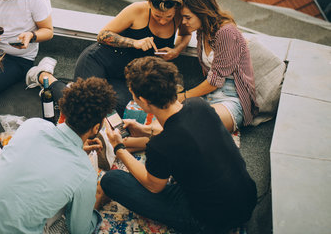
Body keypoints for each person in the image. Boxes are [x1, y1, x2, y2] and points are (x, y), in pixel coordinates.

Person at [100, 57, 257, 233]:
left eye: (133, 94)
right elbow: (182, 130)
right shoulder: (199, 105)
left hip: (208, 222)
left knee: (111, 180)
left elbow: (153, 186)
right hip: (247, 200)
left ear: (143, 101)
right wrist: (145, 130)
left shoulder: (160, 146)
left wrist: (119, 148)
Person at [0, 77, 117, 233]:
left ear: (63, 111)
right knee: (63, 199)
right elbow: (79, 230)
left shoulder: (34, 125)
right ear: (96, 127)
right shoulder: (85, 172)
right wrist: (95, 202)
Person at [73, 0, 191, 114]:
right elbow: (102, 35)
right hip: (100, 61)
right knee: (84, 101)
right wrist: (134, 43)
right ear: (149, 4)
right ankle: (51, 81)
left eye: (168, 16)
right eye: (157, 16)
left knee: (113, 108)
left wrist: (177, 50)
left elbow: (186, 35)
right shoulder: (136, 10)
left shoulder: (179, 16)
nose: (163, 21)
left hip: (129, 76)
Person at [179, 0, 258, 132]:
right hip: (208, 94)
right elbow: (182, 32)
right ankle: (128, 145)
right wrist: (175, 50)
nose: (183, 22)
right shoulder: (202, 30)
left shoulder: (226, 33)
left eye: (187, 17)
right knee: (175, 122)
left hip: (232, 97)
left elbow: (215, 81)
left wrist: (183, 96)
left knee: (196, 127)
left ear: (202, 13)